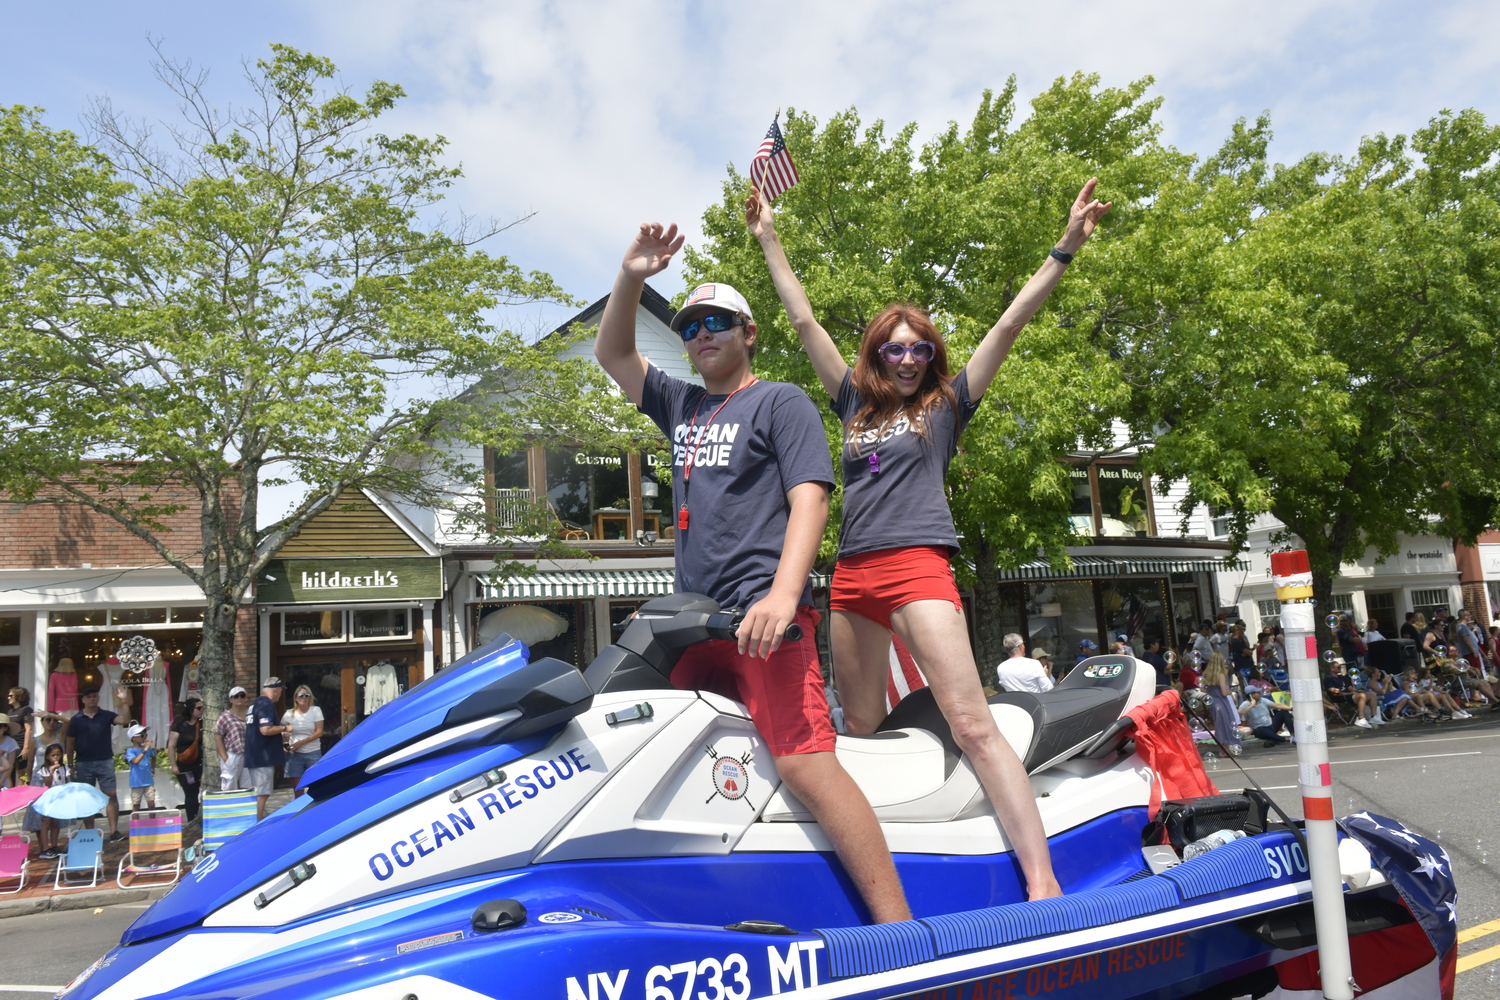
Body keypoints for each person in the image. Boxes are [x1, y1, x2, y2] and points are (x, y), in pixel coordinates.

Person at [744, 179, 1110, 905]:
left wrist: (1065, 247)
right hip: (850, 577)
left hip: (918, 568)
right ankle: (904, 871)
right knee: (865, 731)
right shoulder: (851, 401)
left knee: (972, 723)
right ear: (876, 354)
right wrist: (767, 238)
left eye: (918, 348)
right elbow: (804, 317)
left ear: (930, 354)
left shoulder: (946, 405)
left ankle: (1043, 882)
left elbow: (1007, 325)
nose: (907, 358)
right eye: (893, 348)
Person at [594, 218, 913, 921]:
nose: (701, 334)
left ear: (749, 332)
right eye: (690, 326)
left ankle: (901, 928)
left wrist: (782, 595)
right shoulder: (681, 404)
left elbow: (811, 499)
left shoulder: (781, 402)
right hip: (691, 625)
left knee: (803, 762)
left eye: (717, 321)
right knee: (659, 751)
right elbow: (613, 352)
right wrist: (632, 275)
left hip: (765, 619)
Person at [64, 685, 132, 840]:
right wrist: (70, 764)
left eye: (94, 696)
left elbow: (125, 720)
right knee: (87, 798)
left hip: (105, 760)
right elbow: (70, 743)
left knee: (111, 795)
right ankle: (90, 833)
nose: (92, 699)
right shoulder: (76, 720)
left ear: (98, 698)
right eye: (88, 696)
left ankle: (114, 831)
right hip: (83, 762)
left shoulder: (106, 715)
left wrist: (124, 700)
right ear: (83, 700)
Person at [245, 678, 289, 820]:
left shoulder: (255, 703)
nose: (280, 695)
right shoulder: (266, 704)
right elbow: (265, 729)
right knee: (262, 794)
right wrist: (284, 728)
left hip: (254, 755)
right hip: (262, 757)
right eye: (280, 692)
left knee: (259, 793)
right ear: (276, 690)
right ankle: (255, 826)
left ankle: (257, 820)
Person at [281, 685, 325, 796]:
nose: (304, 697)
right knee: (298, 789)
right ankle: (299, 811)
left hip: (313, 752)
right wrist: (285, 744)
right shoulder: (288, 714)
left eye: (307, 695)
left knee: (316, 786)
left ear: (310, 697)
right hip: (294, 754)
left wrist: (301, 743)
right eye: (301, 695)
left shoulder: (316, 711)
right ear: (295, 698)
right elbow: (282, 731)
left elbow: (319, 732)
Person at [168, 698, 204, 822]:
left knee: (203, 792)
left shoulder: (203, 725)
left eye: (202, 708)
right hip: (184, 765)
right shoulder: (179, 725)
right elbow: (171, 746)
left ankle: (202, 819)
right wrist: (173, 765)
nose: (201, 710)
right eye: (198, 708)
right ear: (190, 710)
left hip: (200, 764)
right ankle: (191, 820)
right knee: (190, 793)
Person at [1201, 652, 1242, 754]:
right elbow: (1224, 692)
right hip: (1221, 701)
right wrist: (1230, 692)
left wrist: (1211, 692)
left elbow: (1202, 689)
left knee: (1219, 724)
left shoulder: (1206, 673)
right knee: (1227, 723)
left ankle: (1221, 750)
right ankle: (1227, 749)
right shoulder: (1221, 674)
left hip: (1212, 701)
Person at [35, 744, 69, 859]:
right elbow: (47, 784)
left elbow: (67, 781)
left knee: (55, 823)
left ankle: (54, 845)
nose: (56, 758)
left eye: (58, 755)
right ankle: (45, 848)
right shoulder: (44, 769)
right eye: (53, 755)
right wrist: (51, 771)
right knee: (46, 823)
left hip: (60, 797)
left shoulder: (64, 768)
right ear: (48, 757)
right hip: (48, 798)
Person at [214, 686, 250, 791]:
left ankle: (245, 807)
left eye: (242, 696)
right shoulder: (224, 716)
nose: (239, 698)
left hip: (248, 754)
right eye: (236, 696)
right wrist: (226, 758)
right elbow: (217, 738)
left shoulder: (250, 714)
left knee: (248, 787)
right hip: (233, 754)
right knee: (229, 787)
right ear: (231, 699)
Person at [125, 725, 157, 811]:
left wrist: (153, 769)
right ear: (134, 738)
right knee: (136, 805)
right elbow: (135, 761)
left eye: (145, 735)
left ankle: (152, 823)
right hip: (136, 783)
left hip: (148, 781)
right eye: (142, 735)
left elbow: (153, 757)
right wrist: (145, 749)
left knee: (151, 804)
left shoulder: (147, 749)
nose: (145, 737)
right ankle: (135, 824)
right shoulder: (130, 751)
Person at [0, 715, 16, 788]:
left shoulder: (11, 742)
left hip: (4, 781)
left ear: (5, 728)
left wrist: (1, 782)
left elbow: (10, 766)